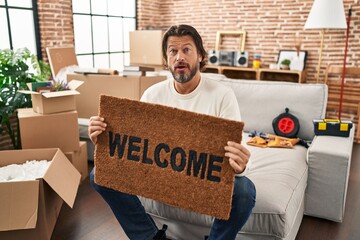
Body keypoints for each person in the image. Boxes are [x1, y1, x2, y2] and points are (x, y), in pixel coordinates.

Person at [88, 24, 256, 240]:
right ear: (166, 59)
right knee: (98, 174)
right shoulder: (152, 94)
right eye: (173, 51)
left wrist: (241, 165)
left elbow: (237, 154)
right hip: (160, 171)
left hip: (201, 175)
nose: (179, 57)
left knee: (244, 192)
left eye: (186, 50)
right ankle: (150, 237)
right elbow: (135, 147)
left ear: (201, 56)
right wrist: (105, 141)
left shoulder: (223, 95)